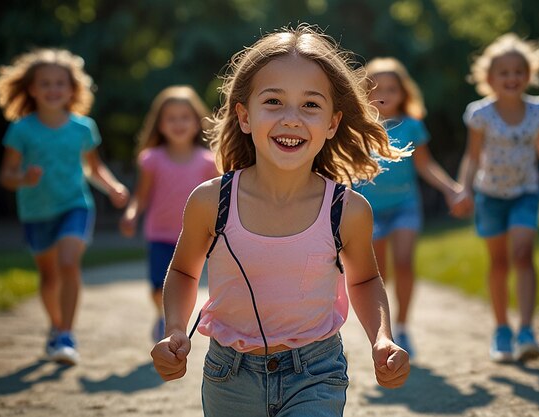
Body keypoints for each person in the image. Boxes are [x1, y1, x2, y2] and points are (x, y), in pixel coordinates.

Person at [150, 25, 411, 416]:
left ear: (332, 124)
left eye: (310, 105)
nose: (292, 118)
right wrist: (174, 328)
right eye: (273, 101)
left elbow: (365, 279)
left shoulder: (348, 210)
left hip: (316, 372)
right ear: (244, 116)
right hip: (229, 375)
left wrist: (382, 339)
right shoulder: (210, 201)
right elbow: (185, 272)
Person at [0, 48, 130, 365]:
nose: (53, 89)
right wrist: (24, 177)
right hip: (36, 211)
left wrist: (112, 188)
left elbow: (93, 168)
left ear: (72, 89)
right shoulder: (21, 130)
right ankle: (54, 326)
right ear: (31, 89)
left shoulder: (83, 128)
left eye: (60, 83)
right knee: (49, 276)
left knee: (69, 262)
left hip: (74, 205)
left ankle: (66, 334)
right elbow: (6, 176)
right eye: (45, 83)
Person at [458, 33, 539, 362]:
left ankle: (526, 329)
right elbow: (472, 156)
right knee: (499, 263)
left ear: (529, 75)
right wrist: (463, 188)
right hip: (489, 196)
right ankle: (502, 329)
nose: (512, 77)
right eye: (504, 72)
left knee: (524, 254)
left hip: (526, 192)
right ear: (489, 79)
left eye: (519, 71)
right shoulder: (480, 115)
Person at [354, 57, 471, 359]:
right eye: (377, 88)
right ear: (363, 93)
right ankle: (384, 331)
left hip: (405, 205)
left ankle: (404, 325)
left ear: (403, 92)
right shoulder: (358, 129)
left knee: (404, 262)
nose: (385, 94)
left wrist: (450, 189)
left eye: (392, 88)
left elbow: (426, 165)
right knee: (378, 275)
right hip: (369, 210)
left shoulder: (412, 126)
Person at [120, 85, 218, 342]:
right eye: (171, 118)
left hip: (195, 237)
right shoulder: (151, 159)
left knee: (186, 281)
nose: (178, 123)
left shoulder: (208, 161)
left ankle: (176, 323)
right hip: (160, 233)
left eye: (185, 117)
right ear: (160, 125)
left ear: (197, 123)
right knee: (156, 286)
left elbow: (219, 198)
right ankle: (162, 314)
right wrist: (131, 214)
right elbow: (141, 196)